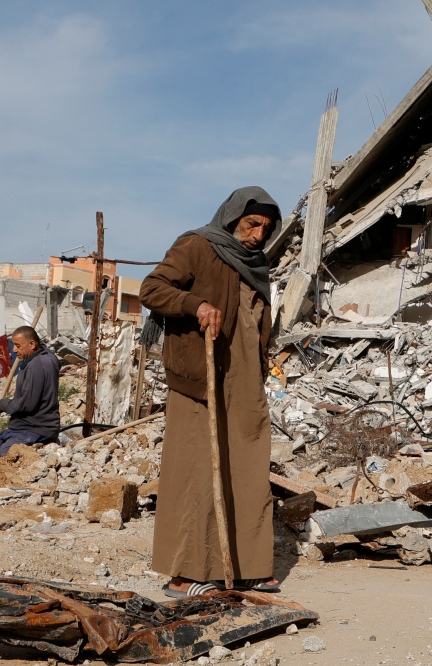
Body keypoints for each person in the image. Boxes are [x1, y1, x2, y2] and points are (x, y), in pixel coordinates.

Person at [140, 186, 281, 598]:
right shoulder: (197, 245)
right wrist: (195, 305)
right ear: (234, 216)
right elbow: (152, 289)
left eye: (265, 228)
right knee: (196, 468)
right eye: (252, 223)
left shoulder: (256, 264)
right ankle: (185, 570)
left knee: (248, 465)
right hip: (201, 373)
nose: (257, 235)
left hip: (245, 377)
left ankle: (248, 566)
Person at [0, 325, 61, 459]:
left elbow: (25, 405)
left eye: (18, 345)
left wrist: (1, 404)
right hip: (22, 427)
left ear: (32, 344)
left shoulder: (37, 365)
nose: (14, 350)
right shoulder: (45, 357)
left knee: (1, 458)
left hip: (34, 429)